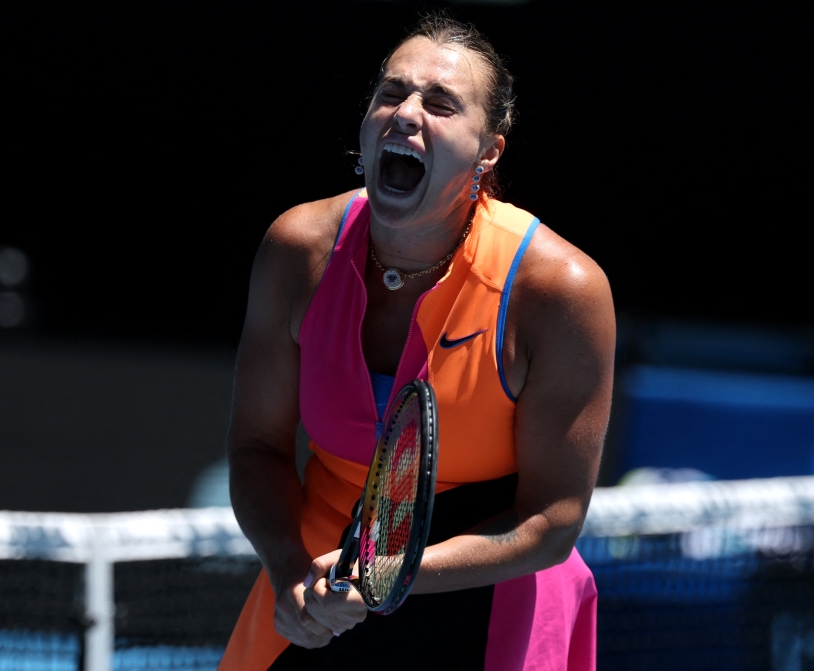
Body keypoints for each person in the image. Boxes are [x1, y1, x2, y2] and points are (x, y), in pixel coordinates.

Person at [220, 13, 614, 671]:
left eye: (440, 104)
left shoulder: (560, 290)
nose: (405, 114)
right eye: (390, 93)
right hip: (316, 593)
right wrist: (292, 571)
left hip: (495, 602)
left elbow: (552, 518)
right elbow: (256, 446)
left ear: (488, 151)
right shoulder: (297, 250)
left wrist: (383, 578)